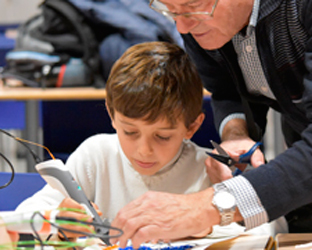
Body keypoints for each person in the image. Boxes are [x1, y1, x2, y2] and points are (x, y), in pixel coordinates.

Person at [109, 0, 312, 248]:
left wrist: (208, 206)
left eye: (193, 5)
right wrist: (235, 132)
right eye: (169, 9)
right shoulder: (198, 20)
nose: (182, 26)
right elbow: (226, 89)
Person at [15, 41, 285, 242]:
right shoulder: (95, 156)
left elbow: (269, 231)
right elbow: (22, 220)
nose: (143, 149)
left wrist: (207, 221)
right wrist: (56, 221)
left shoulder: (211, 170)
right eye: (130, 132)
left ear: (192, 126)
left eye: (162, 136)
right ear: (111, 114)